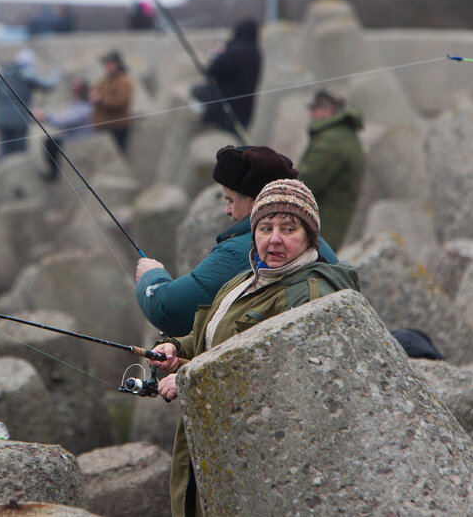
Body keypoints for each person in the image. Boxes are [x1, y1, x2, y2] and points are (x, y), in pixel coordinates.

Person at [149, 179, 360, 517]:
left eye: (288, 228)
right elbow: (210, 339)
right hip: (211, 440)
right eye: (265, 228)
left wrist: (191, 379)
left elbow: (279, 378)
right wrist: (174, 349)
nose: (274, 238)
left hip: (253, 458)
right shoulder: (245, 281)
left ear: (309, 237)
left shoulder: (310, 295)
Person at [135, 145, 338, 337]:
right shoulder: (318, 244)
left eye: (231, 200)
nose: (227, 210)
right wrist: (178, 347)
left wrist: (151, 277)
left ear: (257, 199)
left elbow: (170, 311)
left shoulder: (241, 252)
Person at [299, 88, 366, 250]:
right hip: (331, 221)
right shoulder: (343, 134)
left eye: (314, 109)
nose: (311, 115)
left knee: (314, 264)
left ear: (328, 110)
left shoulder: (332, 141)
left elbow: (307, 181)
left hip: (323, 222)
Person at [191, 19, 261, 133]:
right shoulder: (255, 52)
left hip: (224, 111)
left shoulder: (236, 52)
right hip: (245, 112)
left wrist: (219, 54)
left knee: (195, 90)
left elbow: (212, 71)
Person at [0, 48, 59, 158]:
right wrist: (56, 71)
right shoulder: (27, 72)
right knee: (19, 154)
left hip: (1, 119)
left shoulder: (4, 72)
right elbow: (48, 85)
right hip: (19, 119)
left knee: (4, 153)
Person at [32, 78, 93, 180]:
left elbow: (67, 121)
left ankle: (54, 175)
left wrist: (45, 116)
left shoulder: (85, 106)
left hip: (80, 141)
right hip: (71, 139)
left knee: (50, 143)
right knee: (50, 141)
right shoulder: (78, 105)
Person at [90, 50, 133, 153]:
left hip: (116, 129)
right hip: (102, 129)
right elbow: (94, 91)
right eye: (106, 64)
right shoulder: (104, 79)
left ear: (118, 64)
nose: (107, 66)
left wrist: (100, 99)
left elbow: (121, 102)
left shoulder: (124, 80)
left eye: (110, 64)